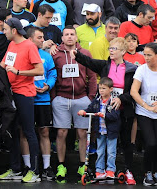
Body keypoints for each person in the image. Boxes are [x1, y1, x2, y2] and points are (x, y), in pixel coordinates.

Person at [73, 37, 138, 184]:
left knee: (126, 142)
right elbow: (89, 61)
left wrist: (122, 99)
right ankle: (101, 170)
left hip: (124, 111)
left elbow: (133, 92)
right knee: (102, 141)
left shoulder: (132, 69)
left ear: (123, 51)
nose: (111, 51)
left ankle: (128, 171)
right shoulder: (105, 66)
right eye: (110, 48)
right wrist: (76, 54)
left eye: (114, 49)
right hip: (107, 112)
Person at [0, 18, 43, 183]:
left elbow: (39, 69)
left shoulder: (29, 46)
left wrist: (18, 72)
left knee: (29, 131)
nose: (4, 32)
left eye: (6, 29)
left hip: (25, 94)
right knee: (13, 131)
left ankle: (35, 171)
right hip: (11, 94)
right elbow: (4, 65)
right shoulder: (11, 45)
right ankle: (16, 169)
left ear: (14, 30)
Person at [50, 26, 97, 181]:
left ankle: (82, 165)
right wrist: (54, 98)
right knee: (61, 132)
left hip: (81, 99)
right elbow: (52, 75)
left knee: (82, 133)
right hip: (61, 99)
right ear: (62, 38)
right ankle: (61, 165)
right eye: (66, 35)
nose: (69, 37)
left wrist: (90, 98)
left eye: (72, 34)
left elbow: (92, 76)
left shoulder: (85, 53)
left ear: (76, 37)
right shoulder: (56, 54)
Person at [24, 26, 57, 180]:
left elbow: (52, 73)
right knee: (25, 132)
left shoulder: (46, 55)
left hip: (43, 99)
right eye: (39, 38)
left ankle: (46, 166)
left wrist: (48, 86)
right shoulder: (22, 54)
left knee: (44, 132)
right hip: (26, 98)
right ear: (30, 39)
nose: (43, 40)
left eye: (43, 37)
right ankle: (28, 166)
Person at [130, 43, 157, 186]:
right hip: (144, 111)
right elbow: (133, 91)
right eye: (144, 54)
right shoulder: (141, 70)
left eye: (149, 55)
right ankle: (147, 173)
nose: (146, 58)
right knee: (151, 143)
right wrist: (147, 106)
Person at [78, 77, 121, 181]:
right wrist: (83, 112)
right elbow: (90, 109)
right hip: (100, 131)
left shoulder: (113, 102)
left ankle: (110, 169)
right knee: (100, 151)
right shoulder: (96, 101)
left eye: (104, 88)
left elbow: (115, 116)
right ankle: (99, 170)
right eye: (100, 88)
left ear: (111, 89)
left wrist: (104, 115)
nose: (101, 90)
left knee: (111, 152)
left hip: (111, 132)